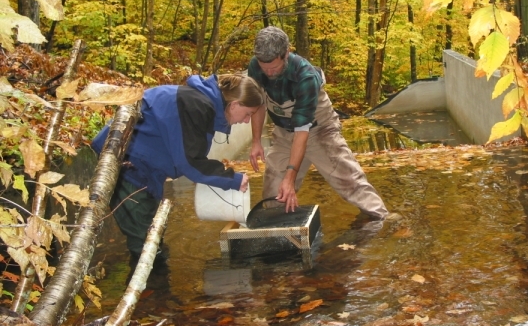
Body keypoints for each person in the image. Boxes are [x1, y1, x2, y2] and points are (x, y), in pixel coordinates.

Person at [92, 73, 264, 261]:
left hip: (143, 165)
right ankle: (149, 286)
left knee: (153, 231)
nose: (247, 121)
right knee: (147, 244)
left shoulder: (200, 102)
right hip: (124, 163)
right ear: (234, 104)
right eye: (248, 114)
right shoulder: (195, 106)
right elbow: (191, 162)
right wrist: (232, 179)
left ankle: (153, 283)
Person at [247, 26, 388, 220]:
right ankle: (281, 235)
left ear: (286, 53)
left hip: (319, 129)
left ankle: (382, 221)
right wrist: (256, 142)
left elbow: (302, 131)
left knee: (349, 182)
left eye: (275, 67)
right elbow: (257, 103)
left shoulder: (305, 76)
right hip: (283, 132)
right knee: (273, 196)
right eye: (265, 68)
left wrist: (291, 176)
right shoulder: (255, 67)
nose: (269, 72)